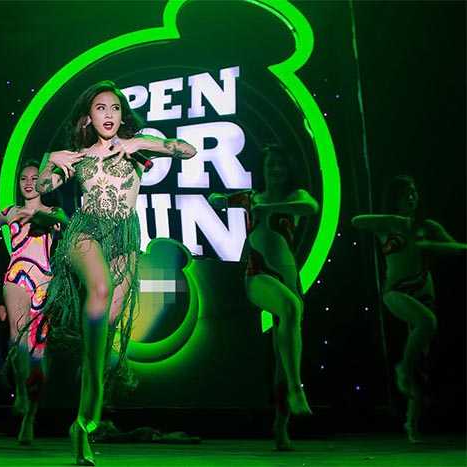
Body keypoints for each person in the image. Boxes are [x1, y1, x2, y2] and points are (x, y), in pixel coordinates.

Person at [35, 80, 196, 465]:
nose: (108, 114)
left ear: (122, 116)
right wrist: (49, 160)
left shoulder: (137, 148)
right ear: (88, 118)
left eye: (115, 108)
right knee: (101, 289)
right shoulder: (78, 157)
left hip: (124, 239)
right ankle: (86, 409)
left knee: (103, 335)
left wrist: (140, 143)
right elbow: (43, 185)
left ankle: (84, 421)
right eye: (100, 108)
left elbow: (187, 150)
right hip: (85, 232)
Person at [208, 144, 317, 450]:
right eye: (270, 165)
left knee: (284, 357)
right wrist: (222, 200)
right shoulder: (252, 197)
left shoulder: (295, 197)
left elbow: (311, 207)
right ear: (264, 168)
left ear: (288, 169)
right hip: (258, 275)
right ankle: (297, 389)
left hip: (288, 280)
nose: (275, 170)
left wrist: (268, 209)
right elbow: (217, 199)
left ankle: (281, 427)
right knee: (291, 308)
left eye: (280, 165)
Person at [352, 175, 465, 442]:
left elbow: (458, 248)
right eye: (405, 194)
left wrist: (431, 245)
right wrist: (396, 221)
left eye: (414, 192)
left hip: (424, 291)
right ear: (395, 199)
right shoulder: (387, 224)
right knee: (427, 323)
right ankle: (402, 368)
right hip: (396, 291)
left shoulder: (427, 227)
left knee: (421, 361)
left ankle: (411, 423)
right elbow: (356, 221)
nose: (411, 197)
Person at [0, 161, 67, 444]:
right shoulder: (11, 211)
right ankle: (22, 395)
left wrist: (38, 217)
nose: (28, 183)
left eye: (34, 178)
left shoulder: (52, 212)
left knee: (38, 352)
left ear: (43, 182)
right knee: (17, 336)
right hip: (16, 275)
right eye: (24, 178)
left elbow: (62, 221)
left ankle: (30, 416)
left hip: (44, 282)